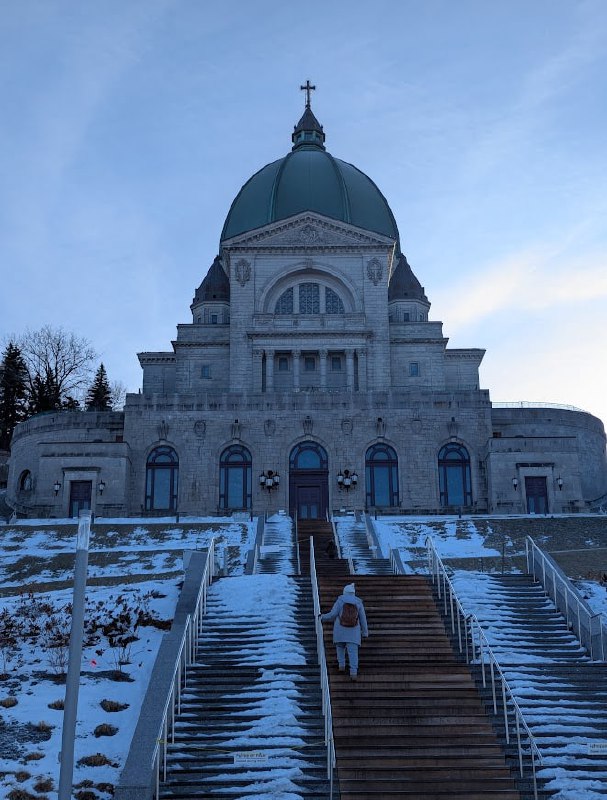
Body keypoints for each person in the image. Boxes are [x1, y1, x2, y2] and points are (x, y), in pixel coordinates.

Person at [320, 583, 368, 680]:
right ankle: (353, 672)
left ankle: (341, 665)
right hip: (354, 632)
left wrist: (322, 617)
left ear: (344, 591)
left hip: (340, 630)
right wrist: (365, 632)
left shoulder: (340, 600)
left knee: (340, 647)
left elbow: (332, 614)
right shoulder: (358, 602)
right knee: (353, 652)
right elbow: (363, 619)